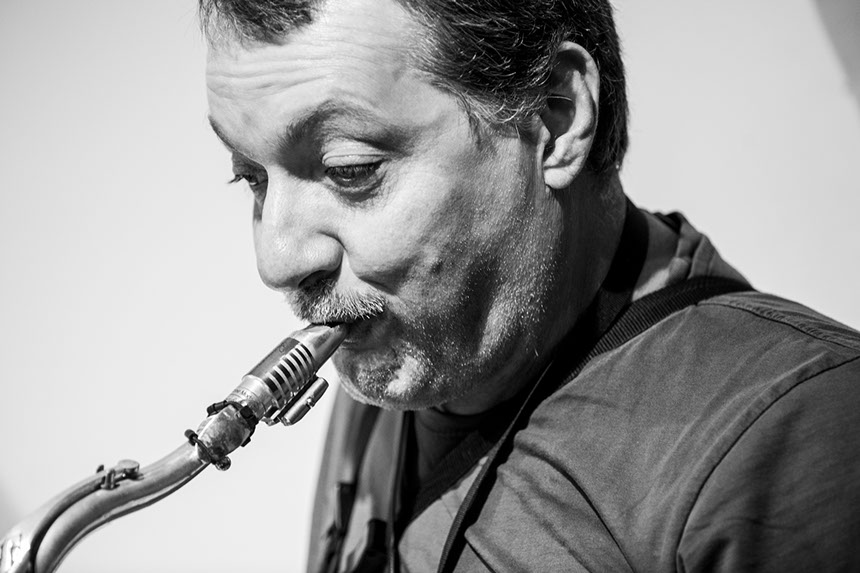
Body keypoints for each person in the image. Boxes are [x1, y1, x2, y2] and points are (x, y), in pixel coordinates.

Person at [199, 0, 860, 571]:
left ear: (556, 118)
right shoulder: (404, 345)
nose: (277, 260)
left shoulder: (797, 432)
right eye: (249, 175)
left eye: (351, 167)